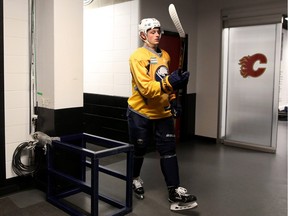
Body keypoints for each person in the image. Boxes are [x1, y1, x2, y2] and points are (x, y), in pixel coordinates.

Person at [127, 18, 197, 208]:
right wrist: (170, 83)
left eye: (158, 31)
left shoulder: (165, 55)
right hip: (140, 113)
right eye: (152, 31)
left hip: (163, 112)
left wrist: (174, 100)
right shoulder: (137, 56)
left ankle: (174, 192)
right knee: (139, 149)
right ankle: (134, 178)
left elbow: (165, 82)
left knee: (169, 151)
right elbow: (147, 89)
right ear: (143, 35)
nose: (157, 34)